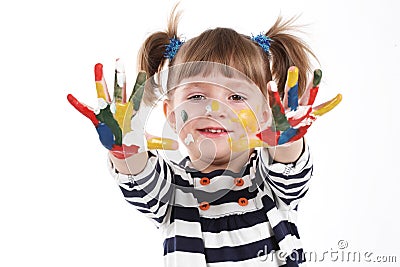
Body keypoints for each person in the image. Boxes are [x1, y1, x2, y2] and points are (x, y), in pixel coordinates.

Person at [67, 7, 341, 267]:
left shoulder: (270, 180)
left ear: (265, 114)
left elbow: (290, 170)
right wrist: (125, 149)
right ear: (171, 114)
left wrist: (288, 140)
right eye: (197, 96)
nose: (216, 109)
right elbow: (139, 178)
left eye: (236, 96)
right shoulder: (173, 190)